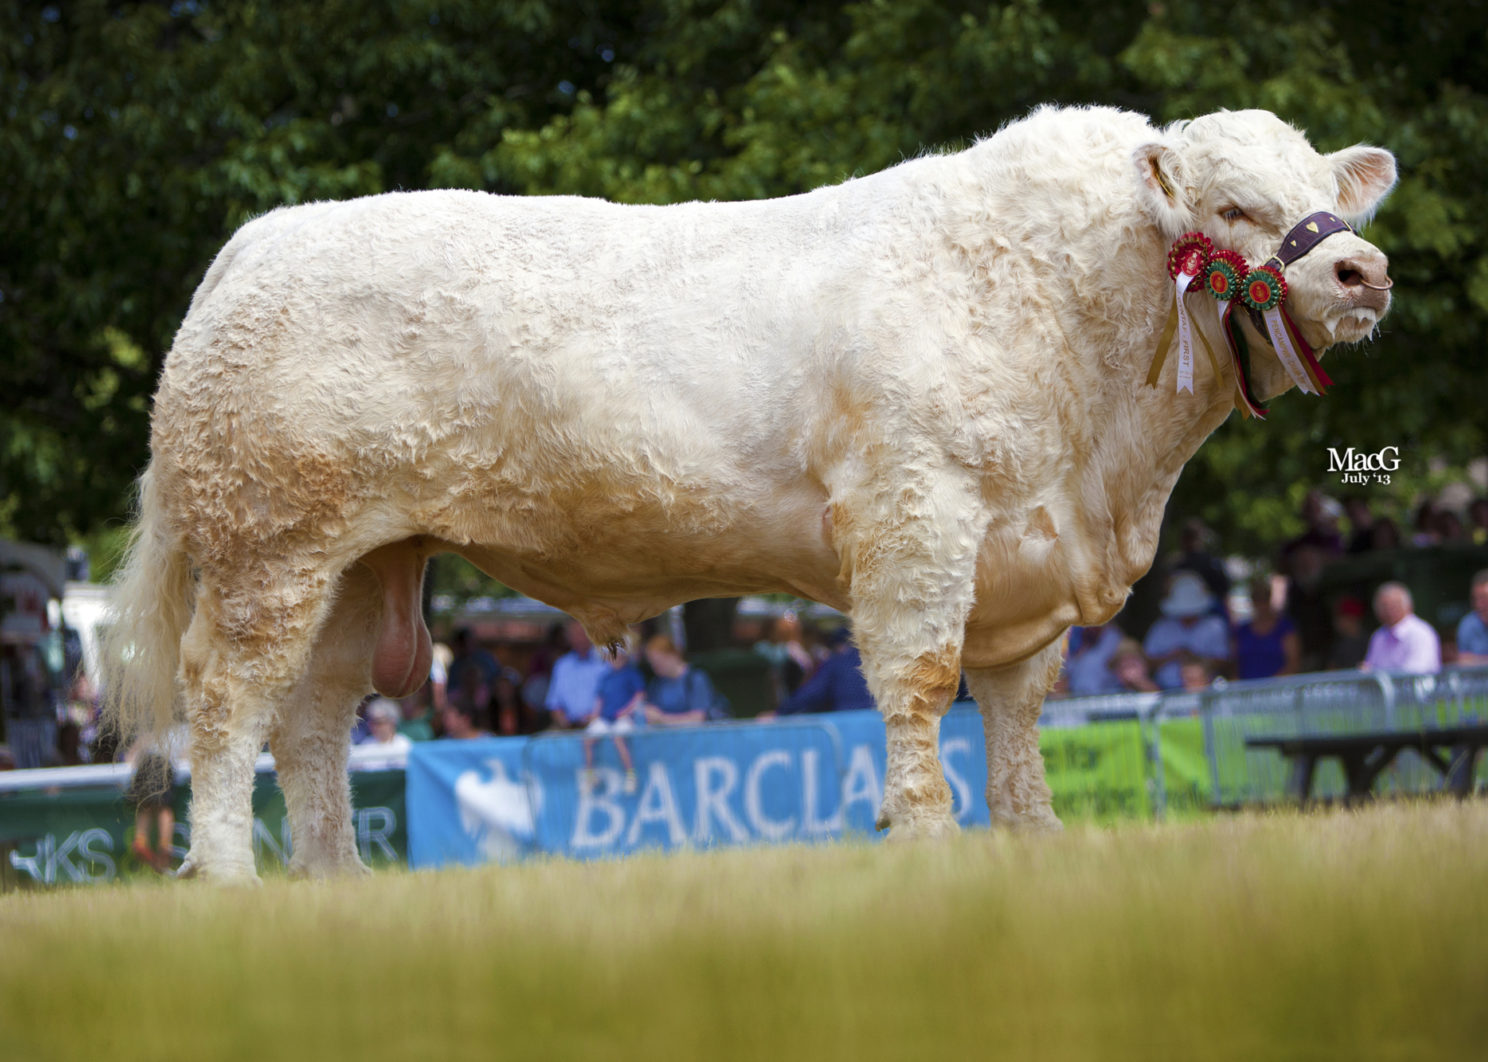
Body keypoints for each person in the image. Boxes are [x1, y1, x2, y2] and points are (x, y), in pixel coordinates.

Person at [1142, 572, 1231, 689]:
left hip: (1203, 688)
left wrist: (1195, 658)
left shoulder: (1214, 626)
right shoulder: (1161, 627)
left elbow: (1225, 660)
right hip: (1166, 688)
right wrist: (1172, 655)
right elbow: (1147, 660)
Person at [583, 636, 647, 791]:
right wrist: (594, 715)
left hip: (625, 718)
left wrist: (626, 711)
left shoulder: (631, 674)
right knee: (587, 739)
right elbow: (600, 699)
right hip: (606, 719)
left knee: (618, 738)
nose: (615, 658)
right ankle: (591, 776)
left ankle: (631, 775)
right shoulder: (605, 677)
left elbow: (640, 696)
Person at [771, 627, 875, 716]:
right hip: (879, 723)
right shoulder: (877, 661)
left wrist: (780, 713)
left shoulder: (837, 662)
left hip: (846, 726)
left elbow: (811, 694)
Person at [125, 731, 180, 872]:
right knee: (163, 806)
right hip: (163, 759)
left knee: (145, 805)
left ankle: (142, 839)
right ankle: (164, 846)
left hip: (145, 761)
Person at [641, 633, 723, 725]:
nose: (656, 668)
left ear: (674, 655)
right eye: (652, 664)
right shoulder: (657, 684)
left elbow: (698, 719)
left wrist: (662, 718)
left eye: (660, 662)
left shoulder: (695, 679)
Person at [1361, 582, 1441, 675]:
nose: (1388, 610)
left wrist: (1377, 674)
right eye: (1383, 606)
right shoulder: (1379, 636)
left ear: (1408, 605)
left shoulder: (1420, 633)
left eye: (1394, 605)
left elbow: (1415, 673)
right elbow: (1369, 669)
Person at [1232, 578, 1300, 681]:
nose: (1261, 604)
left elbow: (1293, 662)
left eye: (1264, 599)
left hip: (1278, 688)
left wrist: (1273, 683)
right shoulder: (1242, 631)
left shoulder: (1285, 628)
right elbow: (1234, 664)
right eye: (1257, 599)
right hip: (1247, 688)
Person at [545, 621, 609, 728]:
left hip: (600, 723)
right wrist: (563, 721)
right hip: (568, 727)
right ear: (568, 638)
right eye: (574, 634)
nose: (579, 638)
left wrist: (595, 717)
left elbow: (615, 696)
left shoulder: (605, 662)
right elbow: (554, 704)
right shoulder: (562, 665)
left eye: (582, 634)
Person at [1063, 623, 1125, 695]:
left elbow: (1099, 664)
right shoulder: (1083, 640)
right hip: (1078, 696)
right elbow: (1069, 668)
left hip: (1106, 695)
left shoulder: (1112, 637)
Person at [356, 697, 413, 768]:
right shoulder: (366, 744)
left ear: (392, 722)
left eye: (379, 723)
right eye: (372, 723)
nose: (375, 727)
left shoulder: (403, 744)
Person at [1325, 597, 1370, 670]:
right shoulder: (1339, 643)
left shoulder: (1373, 641)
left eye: (1340, 617)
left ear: (1352, 618)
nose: (1335, 622)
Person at [1455, 570, 1488, 666]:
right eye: (1475, 598)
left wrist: (1475, 660)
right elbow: (1463, 662)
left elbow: (1468, 660)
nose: (1479, 604)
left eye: (1483, 598)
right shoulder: (1467, 624)